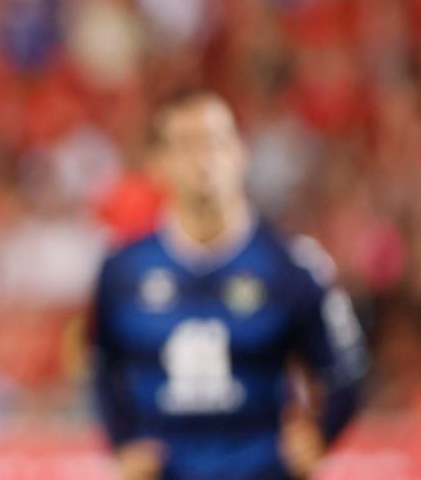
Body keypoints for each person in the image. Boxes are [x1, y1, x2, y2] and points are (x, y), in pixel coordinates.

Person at [90, 89, 367, 480]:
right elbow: (102, 364)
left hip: (261, 469)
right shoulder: (122, 269)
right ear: (157, 163)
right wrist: (123, 443)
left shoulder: (292, 264)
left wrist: (320, 434)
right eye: (186, 144)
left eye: (216, 141)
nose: (204, 158)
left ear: (241, 153)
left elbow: (346, 366)